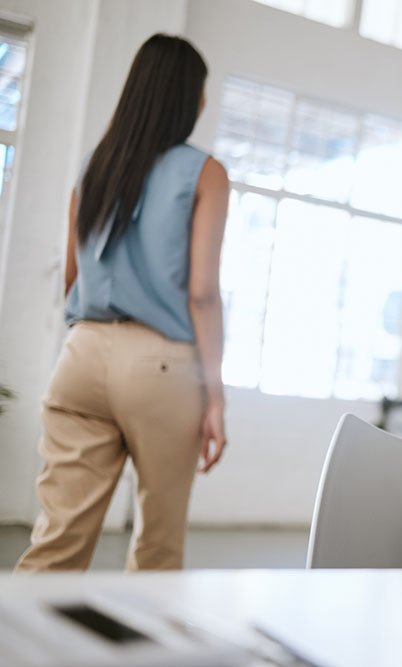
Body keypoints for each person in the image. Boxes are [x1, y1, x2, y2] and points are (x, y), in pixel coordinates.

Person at [15, 34, 229, 571]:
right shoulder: (205, 172)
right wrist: (216, 397)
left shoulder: (94, 166)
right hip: (162, 366)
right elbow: (202, 295)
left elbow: (72, 277)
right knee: (157, 547)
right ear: (188, 97)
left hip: (81, 356)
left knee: (55, 542)